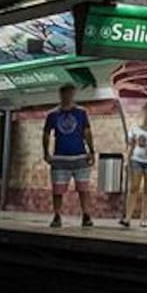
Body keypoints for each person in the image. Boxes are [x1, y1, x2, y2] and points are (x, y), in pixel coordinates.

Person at [42, 84, 97, 228]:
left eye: (70, 94)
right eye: (64, 94)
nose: (67, 96)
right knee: (57, 190)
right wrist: (46, 152)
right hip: (60, 158)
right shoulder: (52, 115)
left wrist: (92, 151)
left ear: (73, 95)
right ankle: (57, 215)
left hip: (80, 156)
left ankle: (86, 215)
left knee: (83, 189)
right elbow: (46, 135)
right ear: (60, 95)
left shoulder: (81, 113)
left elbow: (87, 133)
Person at [120, 101, 147, 229]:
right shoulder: (134, 128)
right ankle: (128, 217)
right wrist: (127, 160)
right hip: (137, 159)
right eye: (145, 108)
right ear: (141, 111)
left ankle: (144, 218)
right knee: (133, 187)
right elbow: (130, 145)